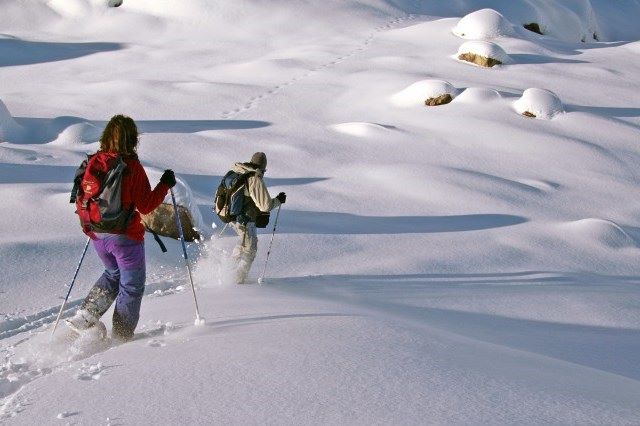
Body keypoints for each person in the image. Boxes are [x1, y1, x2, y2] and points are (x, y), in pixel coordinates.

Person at [66, 114, 176, 341]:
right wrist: (165, 184)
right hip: (125, 238)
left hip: (96, 234)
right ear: (133, 139)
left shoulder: (95, 161)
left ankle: (86, 316)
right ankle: (122, 336)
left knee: (112, 273)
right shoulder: (131, 167)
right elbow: (146, 206)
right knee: (132, 286)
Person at [228, 152, 285, 284]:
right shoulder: (254, 178)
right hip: (245, 221)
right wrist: (278, 200)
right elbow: (265, 206)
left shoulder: (240, 171)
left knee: (242, 246)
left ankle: (226, 272)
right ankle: (236, 281)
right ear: (263, 167)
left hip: (234, 218)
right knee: (250, 250)